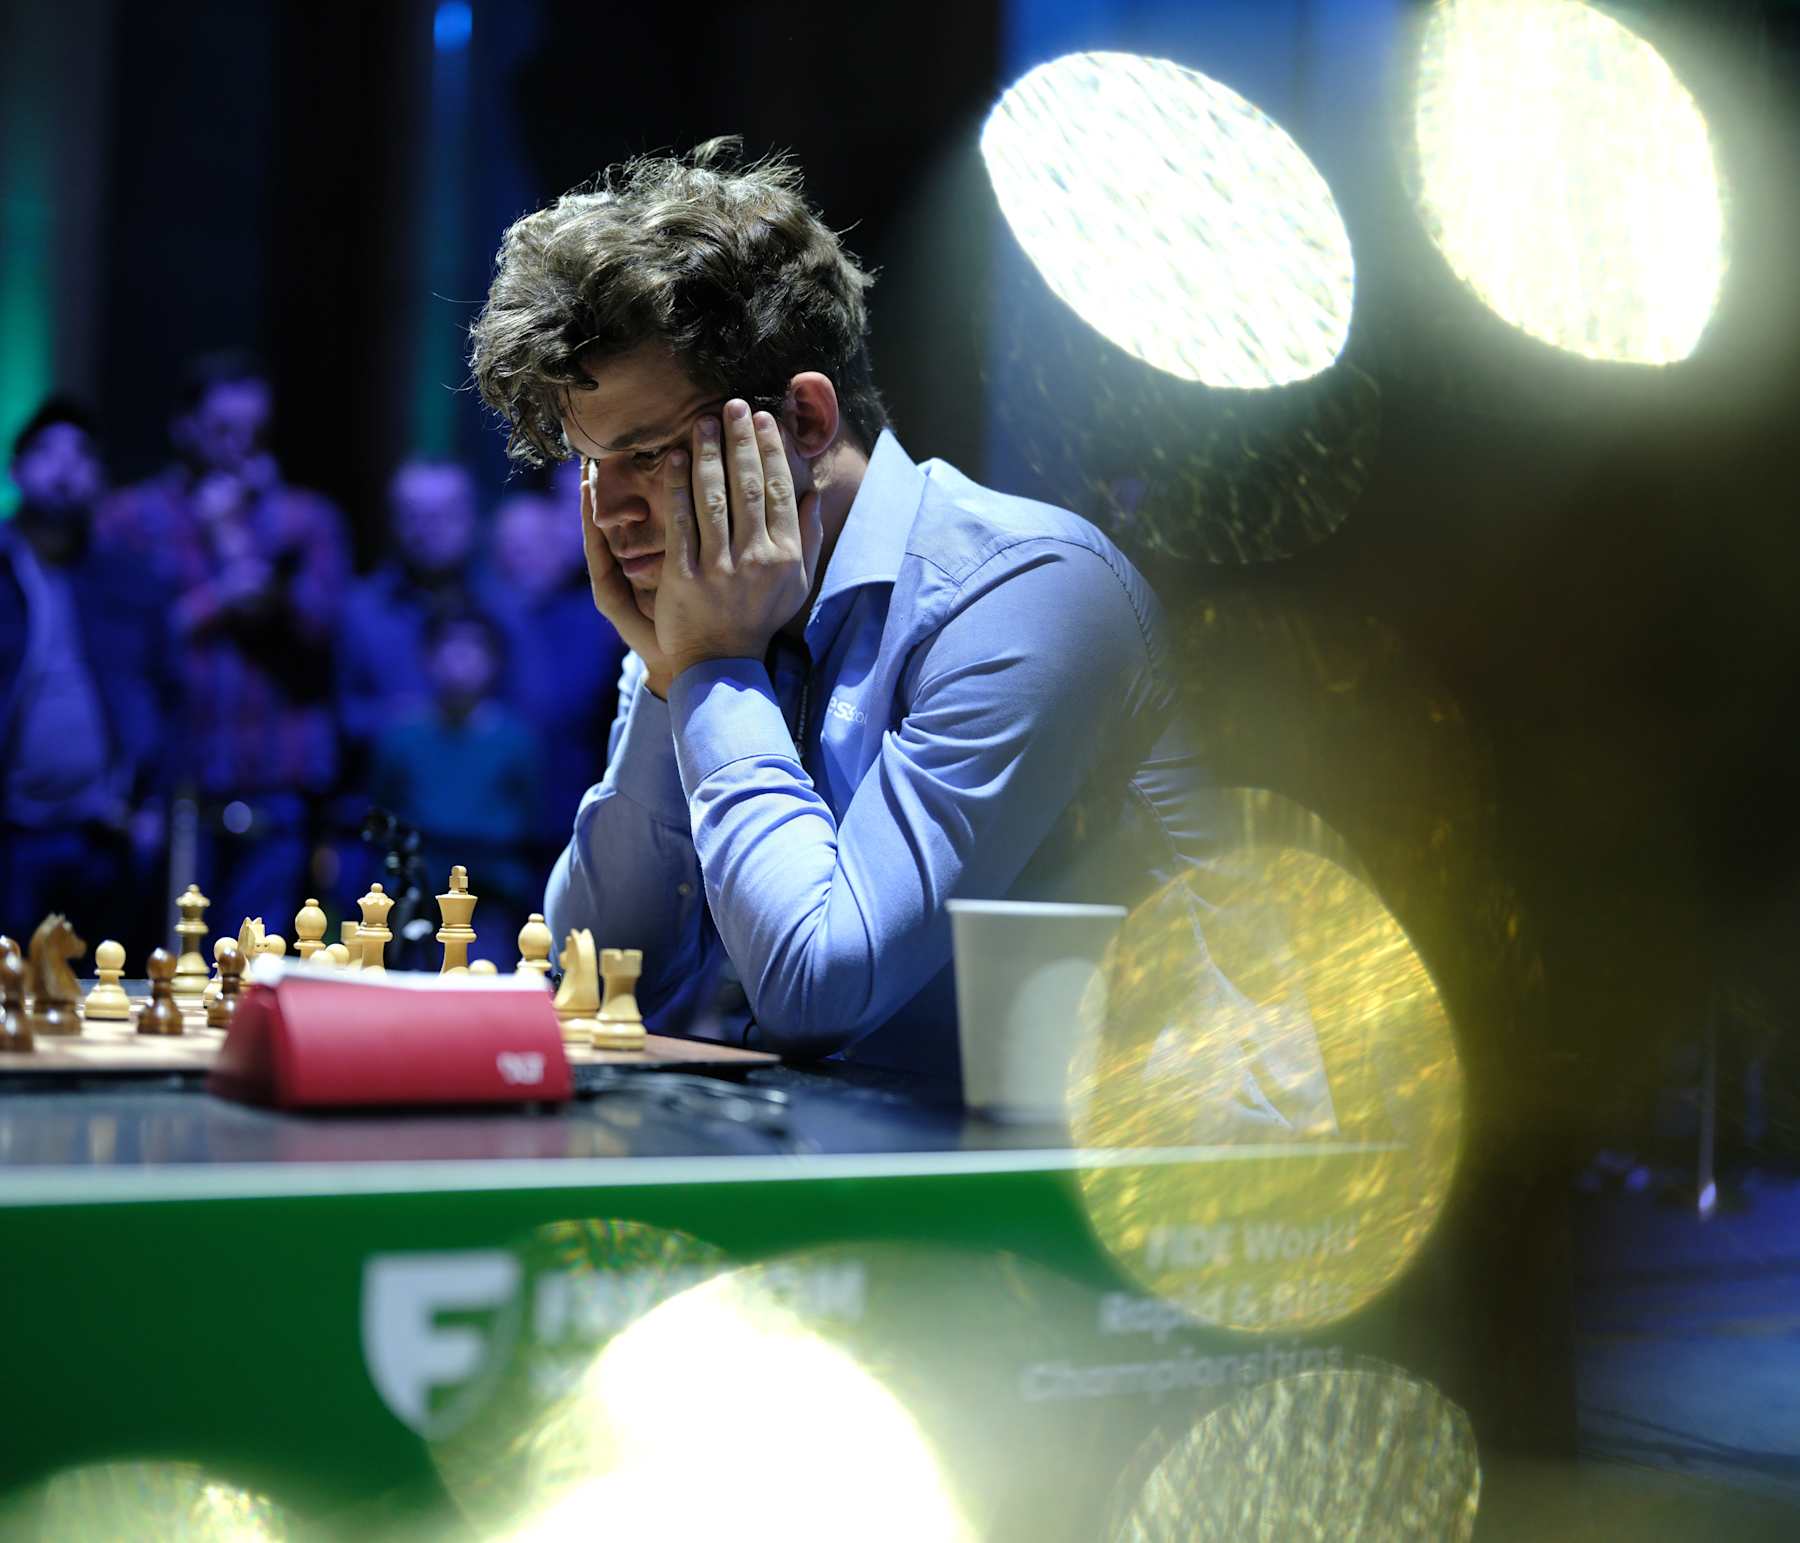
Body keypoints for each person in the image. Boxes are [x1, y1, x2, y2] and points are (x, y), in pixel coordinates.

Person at [468, 139, 1315, 1106]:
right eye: (588, 465)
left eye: (648, 452)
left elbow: (822, 989)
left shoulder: (1028, 590)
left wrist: (707, 670)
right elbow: (596, 987)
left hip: (1181, 1202)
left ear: (808, 423)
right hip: (904, 1173)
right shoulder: (709, 615)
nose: (610, 513)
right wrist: (672, 682)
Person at [100, 352, 351, 930]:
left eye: (253, 432)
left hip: (275, 787)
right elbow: (122, 644)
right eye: (222, 430)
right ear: (183, 427)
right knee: (164, 964)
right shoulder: (132, 518)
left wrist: (232, 534)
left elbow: (322, 630)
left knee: (253, 966)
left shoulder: (303, 519)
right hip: (169, 789)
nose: (239, 446)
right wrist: (217, 598)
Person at [0, 398, 174, 954]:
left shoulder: (127, 576)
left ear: (99, 479)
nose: (65, 466)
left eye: (81, 454)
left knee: (100, 999)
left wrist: (150, 801)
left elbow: (165, 691)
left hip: (104, 831)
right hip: (10, 831)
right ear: (15, 469)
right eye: (47, 450)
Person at [369, 608, 544, 963]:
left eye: (473, 648)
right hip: (414, 891)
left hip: (491, 894)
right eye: (449, 647)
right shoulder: (401, 738)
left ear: (495, 661)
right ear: (427, 657)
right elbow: (382, 806)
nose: (460, 660)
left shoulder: (517, 742)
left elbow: (530, 813)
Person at [487, 484, 627, 854]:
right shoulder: (481, 623)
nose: (530, 559)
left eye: (541, 546)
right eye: (516, 550)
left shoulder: (600, 622)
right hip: (495, 813)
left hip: (576, 798)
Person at [337, 457, 492, 776]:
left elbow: (534, 718)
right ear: (393, 522)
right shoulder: (361, 610)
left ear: (472, 518)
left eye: (445, 514)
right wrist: (406, 722)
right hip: (391, 799)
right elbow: (343, 716)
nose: (430, 528)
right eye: (415, 515)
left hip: (485, 806)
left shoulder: (504, 609)